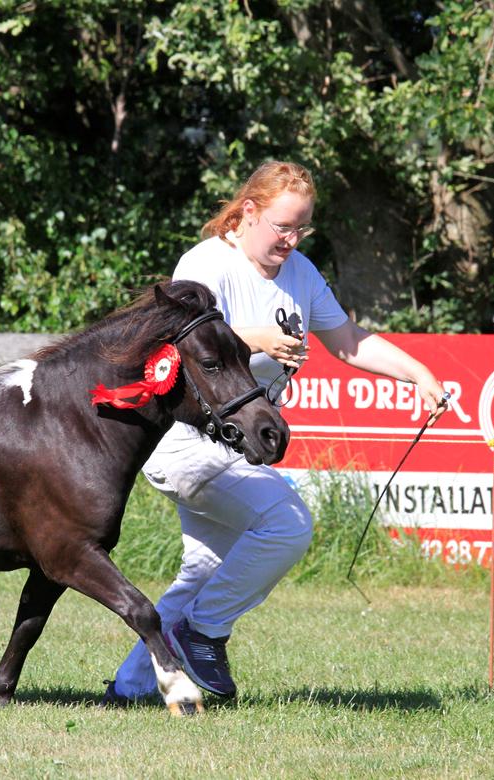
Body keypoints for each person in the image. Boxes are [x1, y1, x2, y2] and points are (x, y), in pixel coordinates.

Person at [103, 161, 446, 704]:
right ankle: (204, 633)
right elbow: (176, 337)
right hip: (182, 440)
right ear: (248, 212)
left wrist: (419, 374)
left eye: (302, 227)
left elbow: (349, 339)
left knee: (206, 570)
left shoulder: (302, 273)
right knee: (286, 525)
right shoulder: (206, 263)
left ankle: (132, 686)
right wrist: (256, 337)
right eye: (282, 226)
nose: (292, 239)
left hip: (235, 442)